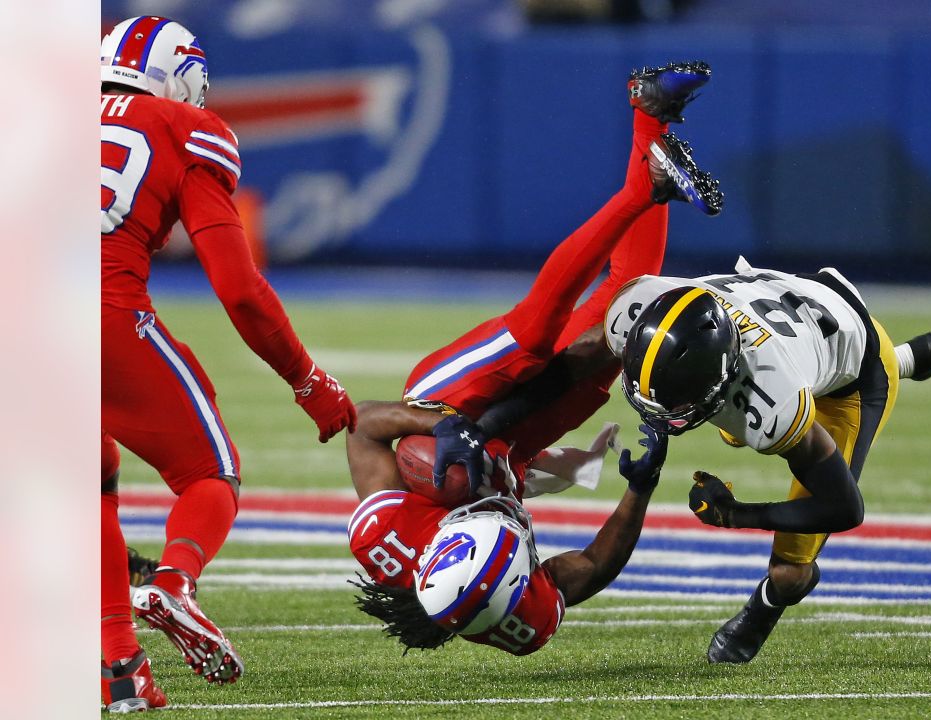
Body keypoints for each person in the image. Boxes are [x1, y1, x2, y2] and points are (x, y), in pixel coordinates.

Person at [343, 61, 720, 655]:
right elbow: (592, 566)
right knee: (628, 319)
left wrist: (441, 426)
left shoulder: (387, 538)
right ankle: (650, 113)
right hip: (511, 445)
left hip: (447, 401)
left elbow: (362, 426)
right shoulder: (518, 611)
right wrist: (638, 490)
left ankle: (642, 190)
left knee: (530, 338)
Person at [442, 259, 931, 663]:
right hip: (795, 305)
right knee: (738, 429)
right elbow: (569, 370)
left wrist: (738, 514)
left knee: (790, 568)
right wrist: (480, 426)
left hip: (852, 369)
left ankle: (765, 607)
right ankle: (913, 357)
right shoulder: (649, 307)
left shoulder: (771, 401)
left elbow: (845, 509)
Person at [100, 16, 357, 712]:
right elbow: (240, 290)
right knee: (209, 472)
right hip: (99, 311)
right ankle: (175, 581)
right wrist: (310, 381)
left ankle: (120, 669)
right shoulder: (184, 128)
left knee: (93, 478)